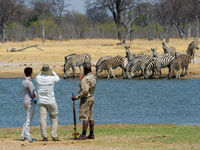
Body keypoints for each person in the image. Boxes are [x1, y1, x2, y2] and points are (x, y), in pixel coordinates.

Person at [35, 64, 60, 141]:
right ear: (48, 71)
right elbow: (58, 79)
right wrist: (53, 72)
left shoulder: (38, 78)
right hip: (51, 101)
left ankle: (44, 136)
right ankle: (54, 135)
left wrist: (40, 72)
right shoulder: (51, 78)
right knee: (54, 118)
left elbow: (36, 77)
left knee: (42, 119)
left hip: (41, 101)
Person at [72, 63, 97, 140]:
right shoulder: (93, 77)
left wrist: (76, 97)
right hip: (92, 97)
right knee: (91, 117)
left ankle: (83, 135)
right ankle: (91, 134)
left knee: (85, 117)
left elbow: (85, 91)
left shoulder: (85, 79)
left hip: (86, 99)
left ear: (85, 70)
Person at [22, 67, 37, 141]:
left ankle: (24, 134)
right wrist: (35, 94)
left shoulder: (23, 81)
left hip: (25, 100)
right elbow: (33, 93)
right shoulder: (29, 82)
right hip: (30, 101)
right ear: (31, 74)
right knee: (29, 118)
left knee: (26, 118)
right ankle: (27, 136)